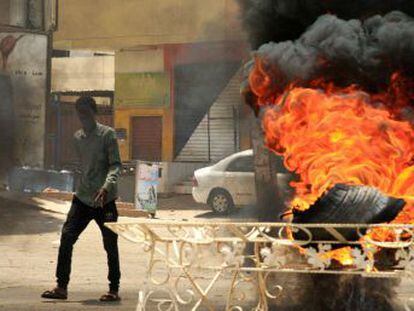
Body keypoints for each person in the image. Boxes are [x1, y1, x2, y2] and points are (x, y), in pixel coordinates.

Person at [41, 96, 122, 302]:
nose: (83, 118)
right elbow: (83, 165)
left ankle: (113, 289)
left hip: (105, 200)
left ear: (94, 113)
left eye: (86, 113)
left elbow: (115, 165)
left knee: (110, 244)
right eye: (80, 114)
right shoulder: (77, 138)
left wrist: (106, 187)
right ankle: (61, 287)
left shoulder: (108, 135)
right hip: (83, 197)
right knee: (67, 237)